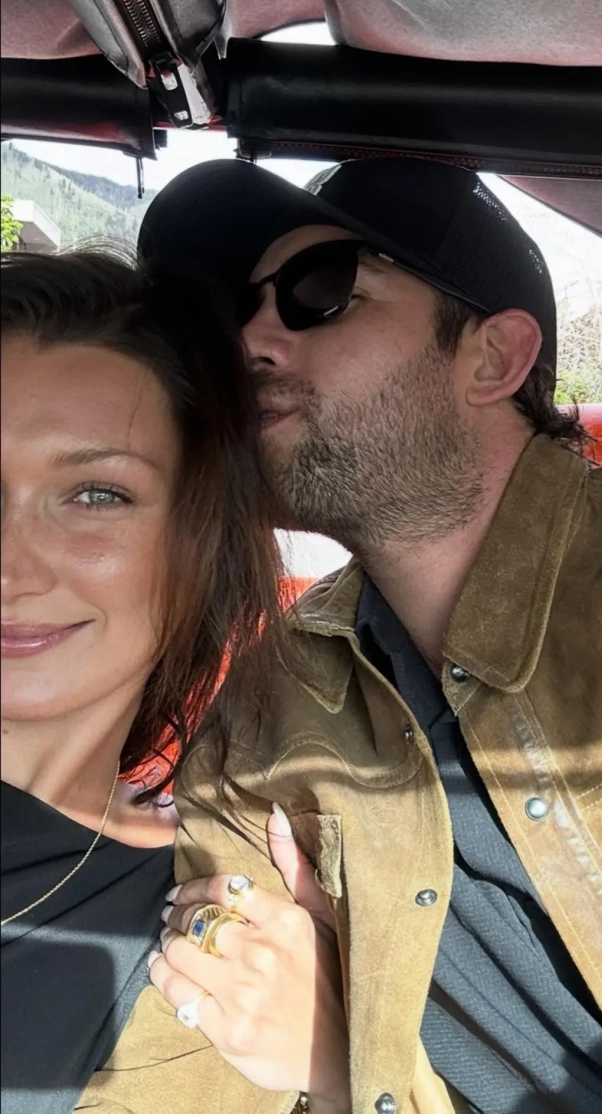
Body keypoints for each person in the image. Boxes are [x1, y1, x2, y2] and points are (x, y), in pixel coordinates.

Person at [126, 156, 602, 1114]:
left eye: (322, 291)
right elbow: (174, 1068)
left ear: (495, 358)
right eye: (238, 314)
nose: (252, 341)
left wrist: (345, 1073)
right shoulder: (259, 724)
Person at [0, 248, 325, 1114]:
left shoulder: (237, 886)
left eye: (96, 495)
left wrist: (337, 1067)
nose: (9, 565)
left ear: (198, 541)